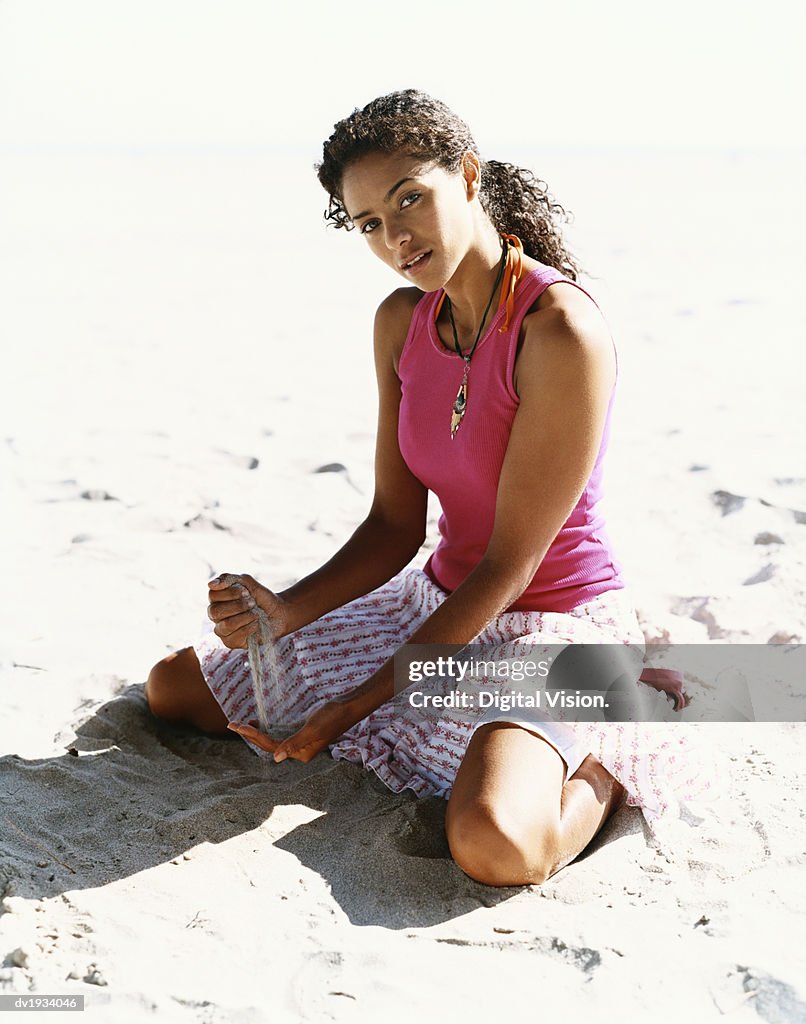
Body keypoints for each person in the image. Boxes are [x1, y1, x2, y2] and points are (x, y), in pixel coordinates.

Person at [145, 90, 706, 887]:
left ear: (469, 177)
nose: (396, 237)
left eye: (411, 198)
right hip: (437, 605)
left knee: (493, 846)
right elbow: (392, 525)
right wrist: (282, 613)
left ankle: (614, 750)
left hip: (550, 629)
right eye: (369, 222)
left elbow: (509, 566)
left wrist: (361, 700)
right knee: (176, 690)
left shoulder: (560, 332)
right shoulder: (401, 322)